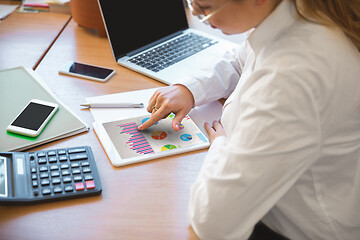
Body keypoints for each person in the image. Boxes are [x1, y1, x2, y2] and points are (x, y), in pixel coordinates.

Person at [138, 0, 360, 239]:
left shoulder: (294, 76)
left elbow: (212, 221)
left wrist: (221, 146)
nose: (195, 13)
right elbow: (240, 59)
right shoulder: (292, 17)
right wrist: (190, 89)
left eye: (205, 7)